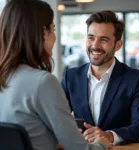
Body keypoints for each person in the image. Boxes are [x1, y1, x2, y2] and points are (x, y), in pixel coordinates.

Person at [0, 0, 112, 150]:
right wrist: (102, 144)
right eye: (52, 29)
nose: (54, 37)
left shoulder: (5, 77)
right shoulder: (42, 82)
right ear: (43, 33)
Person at [61, 10, 139, 145]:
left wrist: (109, 135)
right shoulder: (70, 77)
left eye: (103, 39)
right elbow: (58, 118)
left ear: (118, 45)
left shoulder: (135, 79)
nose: (95, 45)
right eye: (91, 37)